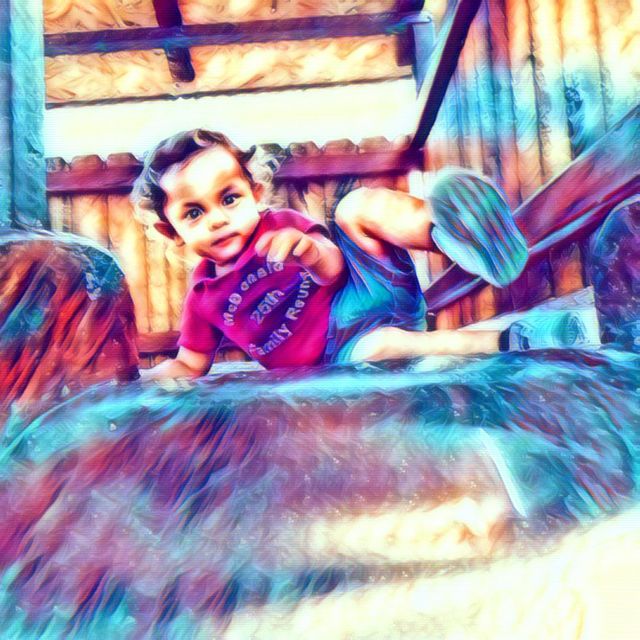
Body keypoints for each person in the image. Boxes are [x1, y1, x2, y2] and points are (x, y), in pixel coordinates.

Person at [131, 129, 584, 379]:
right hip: (341, 352)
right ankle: (517, 338)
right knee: (383, 349)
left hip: (362, 290)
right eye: (194, 213)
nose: (216, 219)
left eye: (229, 199)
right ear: (171, 231)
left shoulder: (279, 225)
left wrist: (306, 251)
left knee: (355, 207)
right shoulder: (203, 297)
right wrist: (145, 381)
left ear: (255, 194)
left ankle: (449, 233)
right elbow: (191, 362)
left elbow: (332, 268)